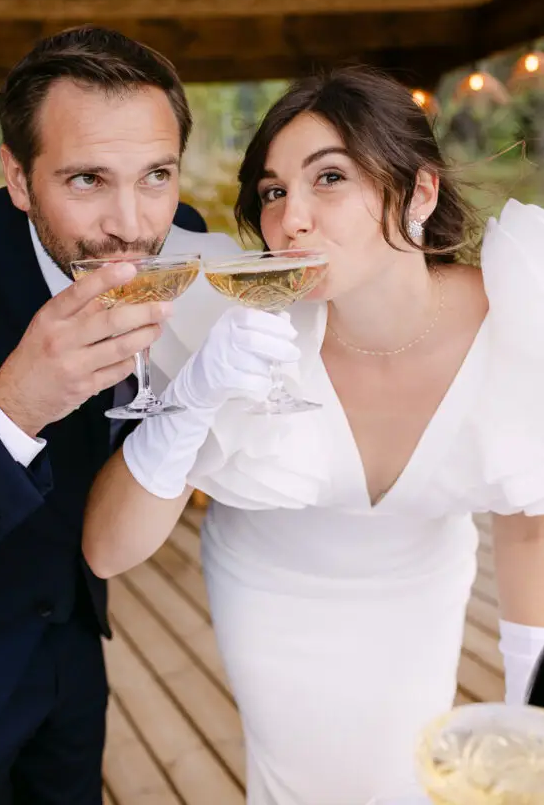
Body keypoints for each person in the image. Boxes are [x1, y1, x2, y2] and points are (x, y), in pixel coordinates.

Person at [83, 67, 544, 804]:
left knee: (404, 780)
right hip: (270, 592)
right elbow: (107, 551)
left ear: (419, 192)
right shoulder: (237, 327)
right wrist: (192, 399)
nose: (291, 218)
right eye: (273, 192)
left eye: (329, 177)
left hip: (420, 589)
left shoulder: (519, 308)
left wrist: (526, 698)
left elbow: (529, 515)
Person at [0, 24, 236, 805]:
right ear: (19, 178)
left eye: (156, 174)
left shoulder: (181, 243)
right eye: (87, 179)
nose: (131, 224)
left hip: (71, 642)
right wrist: (14, 405)